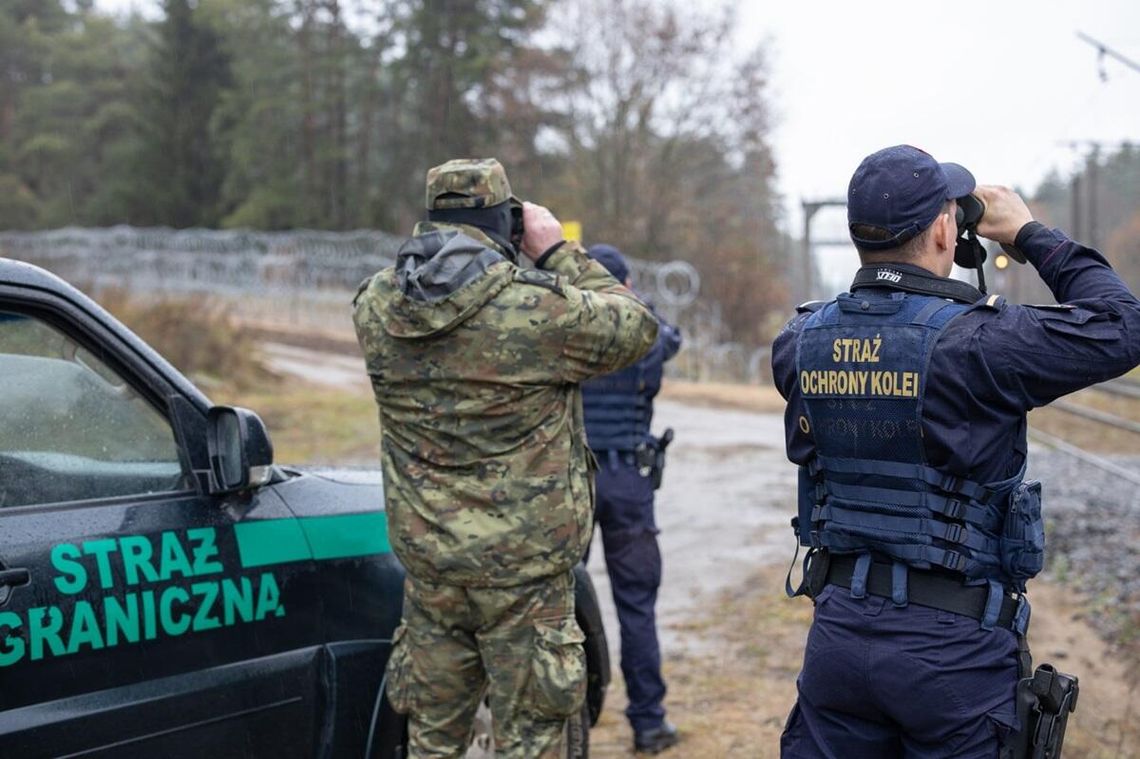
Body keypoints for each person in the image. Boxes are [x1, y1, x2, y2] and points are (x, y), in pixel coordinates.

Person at [772, 144, 1140, 758]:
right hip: (953, 656)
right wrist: (1029, 232)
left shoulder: (799, 342)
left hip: (838, 635)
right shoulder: (980, 344)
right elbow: (1123, 325)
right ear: (947, 229)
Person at [353, 158, 659, 758]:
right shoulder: (535, 312)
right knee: (534, 742)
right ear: (507, 221)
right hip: (524, 578)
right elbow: (637, 327)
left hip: (432, 572)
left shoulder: (375, 307)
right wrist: (557, 252)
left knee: (432, 743)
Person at [580, 244, 683, 754]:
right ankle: (648, 723)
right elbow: (672, 337)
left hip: (571, 481)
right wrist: (631, 298)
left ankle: (566, 720)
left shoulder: (568, 328)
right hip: (627, 480)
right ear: (625, 285)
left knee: (558, 607)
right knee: (636, 608)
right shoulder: (644, 331)